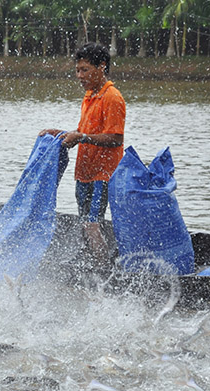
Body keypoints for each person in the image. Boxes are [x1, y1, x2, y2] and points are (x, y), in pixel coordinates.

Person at [39, 42, 126, 267]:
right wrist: (58, 133)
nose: (79, 75)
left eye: (85, 70)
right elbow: (83, 132)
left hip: (103, 174)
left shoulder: (112, 97)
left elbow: (115, 139)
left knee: (92, 223)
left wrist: (82, 138)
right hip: (84, 172)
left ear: (102, 67)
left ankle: (103, 268)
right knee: (83, 222)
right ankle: (89, 259)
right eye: (77, 70)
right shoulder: (89, 96)